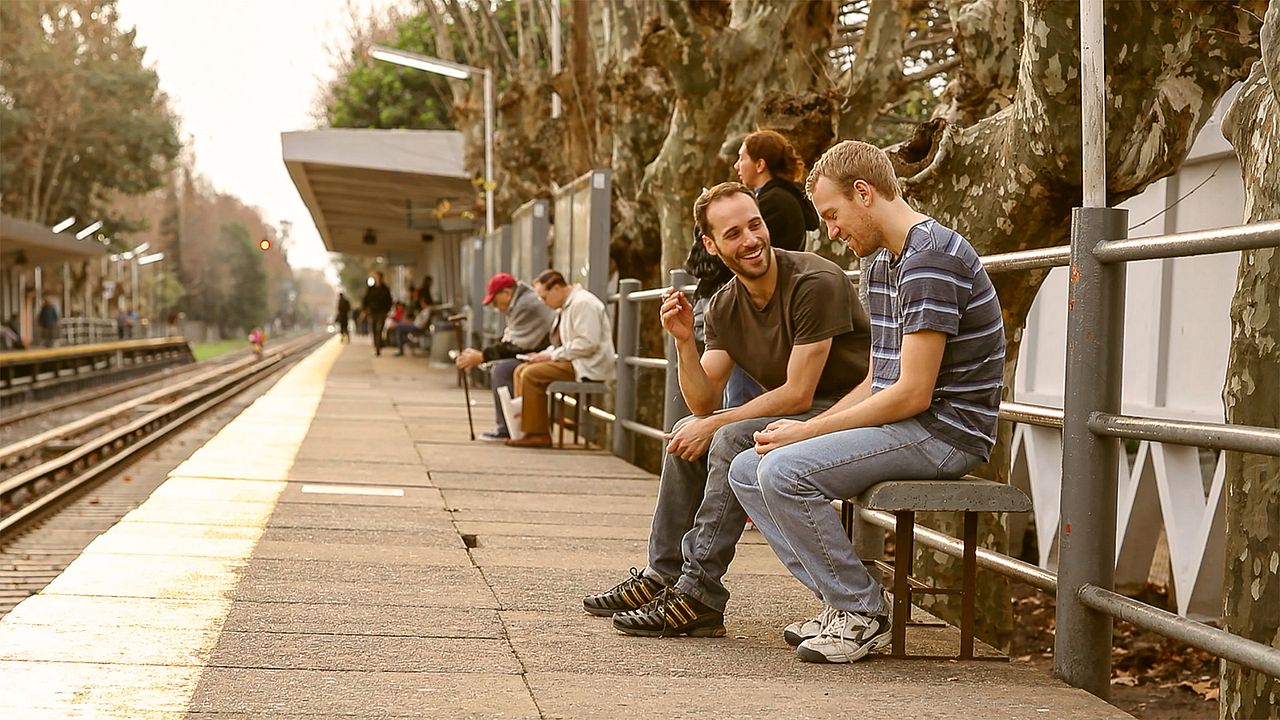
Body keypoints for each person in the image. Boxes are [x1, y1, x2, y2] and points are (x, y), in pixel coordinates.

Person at [727, 140, 1005, 664]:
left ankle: (861, 612)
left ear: (864, 193)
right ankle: (841, 603)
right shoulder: (880, 264)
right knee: (747, 468)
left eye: (833, 215)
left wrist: (807, 432)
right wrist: (809, 426)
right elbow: (880, 378)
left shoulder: (932, 260)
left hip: (947, 433)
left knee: (783, 472)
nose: (830, 231)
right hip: (908, 421)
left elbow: (913, 392)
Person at [584, 182, 871, 639]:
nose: (752, 240)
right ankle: (664, 576)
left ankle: (699, 594)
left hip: (846, 411)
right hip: (803, 413)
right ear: (711, 245)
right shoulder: (723, 305)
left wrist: (715, 424)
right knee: (687, 429)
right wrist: (682, 341)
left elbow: (799, 393)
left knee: (729, 436)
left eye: (755, 225)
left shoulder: (815, 281)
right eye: (734, 233)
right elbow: (702, 401)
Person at [506, 269, 615, 448]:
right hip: (575, 360)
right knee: (521, 370)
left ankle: (538, 433)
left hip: (587, 364)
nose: (543, 302)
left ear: (556, 288)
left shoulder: (582, 303)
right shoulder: (566, 305)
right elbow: (563, 344)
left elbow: (587, 344)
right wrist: (545, 354)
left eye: (544, 297)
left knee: (531, 374)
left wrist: (550, 355)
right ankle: (524, 428)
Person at [455, 272, 555, 442]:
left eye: (495, 301)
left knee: (502, 370)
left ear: (507, 293)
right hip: (544, 351)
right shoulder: (519, 303)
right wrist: (484, 355)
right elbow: (512, 340)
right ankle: (514, 426)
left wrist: (482, 356)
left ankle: (508, 428)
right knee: (504, 367)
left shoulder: (525, 305)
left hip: (550, 353)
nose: (496, 307)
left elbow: (518, 345)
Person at [734, 129, 820, 252]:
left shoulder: (774, 202)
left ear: (760, 165)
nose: (736, 165)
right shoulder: (784, 195)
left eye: (742, 158)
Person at [361, 271, 393, 356]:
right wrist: (364, 310)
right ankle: (376, 345)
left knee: (379, 329)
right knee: (374, 329)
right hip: (372, 312)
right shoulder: (371, 289)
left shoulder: (385, 289)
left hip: (382, 312)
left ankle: (378, 347)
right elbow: (365, 300)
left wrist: (387, 311)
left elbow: (389, 301)